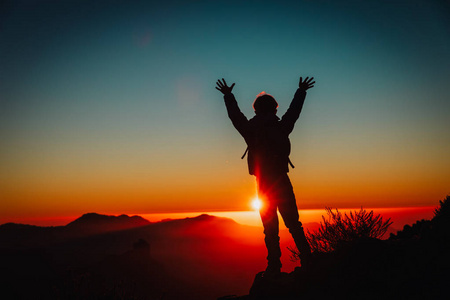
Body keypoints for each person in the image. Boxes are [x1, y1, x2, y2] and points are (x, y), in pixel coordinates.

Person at [216, 76, 315, 275]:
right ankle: (309, 261)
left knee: (270, 229)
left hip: (263, 184)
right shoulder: (281, 127)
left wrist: (228, 96)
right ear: (275, 109)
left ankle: (274, 267)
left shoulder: (250, 130)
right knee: (294, 224)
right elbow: (294, 113)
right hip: (281, 180)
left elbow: (235, 117)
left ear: (255, 110)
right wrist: (301, 92)